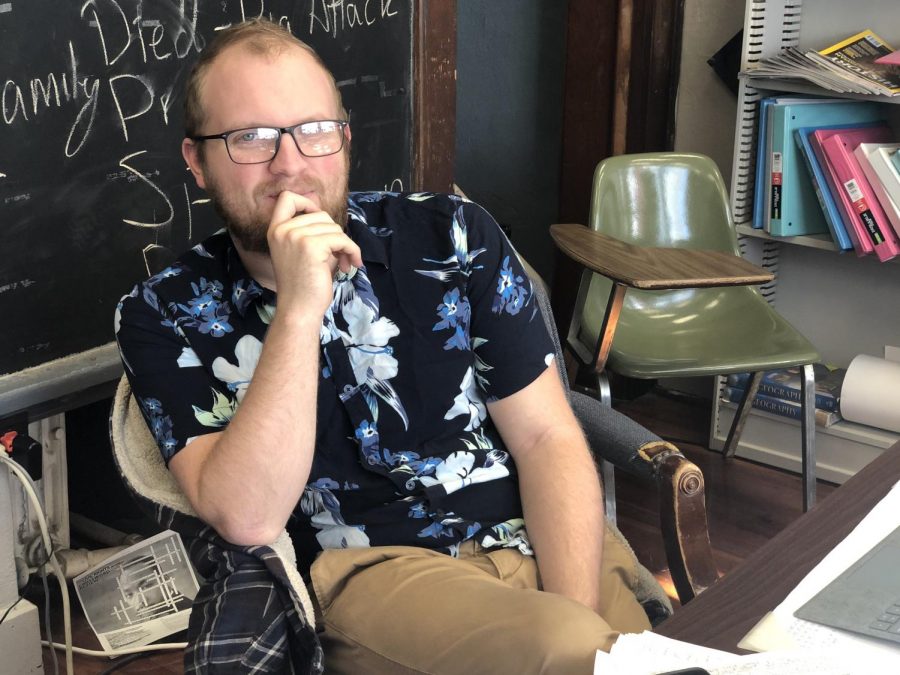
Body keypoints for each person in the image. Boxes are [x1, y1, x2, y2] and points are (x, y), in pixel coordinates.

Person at [115, 18, 650, 674]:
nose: (290, 164)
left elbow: (547, 437)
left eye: (313, 130)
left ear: (343, 140)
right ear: (197, 161)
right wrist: (300, 304)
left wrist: (580, 614)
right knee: (575, 650)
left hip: (542, 541)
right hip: (380, 572)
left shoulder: (452, 235)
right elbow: (247, 516)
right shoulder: (161, 313)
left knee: (677, 653)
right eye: (249, 137)